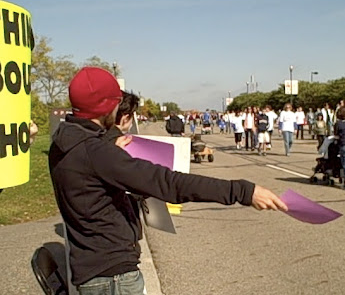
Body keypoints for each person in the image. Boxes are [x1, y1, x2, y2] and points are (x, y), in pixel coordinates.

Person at [48, 67, 288, 295]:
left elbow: (93, 188)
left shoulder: (64, 143)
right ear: (108, 107)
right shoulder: (97, 153)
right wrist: (243, 191)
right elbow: (168, 183)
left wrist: (112, 150)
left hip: (91, 265)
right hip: (112, 277)